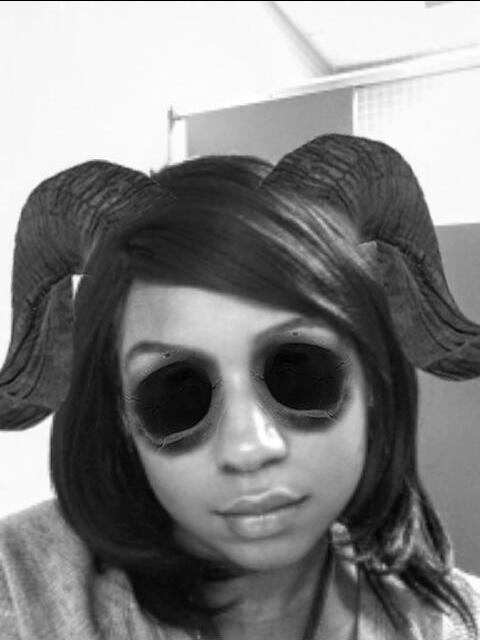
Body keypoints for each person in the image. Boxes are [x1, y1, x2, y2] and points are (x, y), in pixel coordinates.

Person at [0, 134, 479, 640]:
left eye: (298, 372)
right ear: (122, 414)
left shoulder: (455, 625)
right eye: (178, 393)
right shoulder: (18, 595)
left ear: (373, 378)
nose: (249, 448)